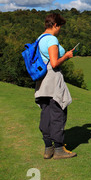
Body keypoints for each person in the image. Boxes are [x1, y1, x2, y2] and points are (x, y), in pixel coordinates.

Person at [34, 13, 76, 160]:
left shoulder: (39, 38)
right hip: (52, 80)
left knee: (46, 112)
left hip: (42, 81)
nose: (60, 30)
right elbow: (54, 63)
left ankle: (48, 148)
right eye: (60, 27)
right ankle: (58, 149)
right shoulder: (51, 39)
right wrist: (67, 56)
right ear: (55, 25)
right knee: (58, 112)